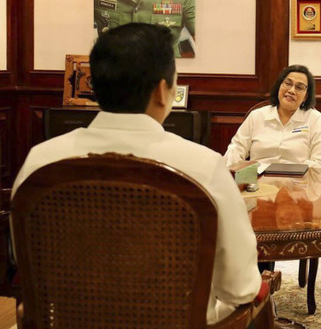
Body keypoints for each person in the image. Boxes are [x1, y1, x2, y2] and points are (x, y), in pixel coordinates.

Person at [12, 23, 260, 325]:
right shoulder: (203, 167)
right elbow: (241, 289)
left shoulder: (40, 162)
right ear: (161, 90)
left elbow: (32, 272)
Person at [223, 64, 321, 169]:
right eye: (288, 83)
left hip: (297, 183)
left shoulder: (314, 119)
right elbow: (236, 149)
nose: (291, 90)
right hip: (257, 182)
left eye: (299, 87)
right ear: (279, 86)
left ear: (305, 97)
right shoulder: (257, 116)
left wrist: (299, 171)